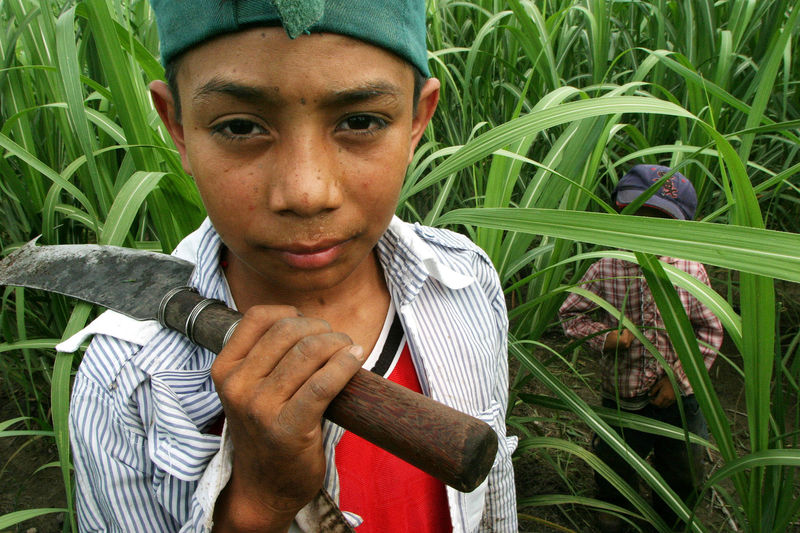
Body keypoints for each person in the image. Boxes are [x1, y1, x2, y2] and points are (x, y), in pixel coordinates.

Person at [61, 1, 517, 531]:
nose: (306, 192)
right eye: (239, 127)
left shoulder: (463, 281)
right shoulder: (126, 382)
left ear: (417, 119)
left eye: (361, 121)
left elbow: (493, 499)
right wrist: (258, 504)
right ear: (178, 127)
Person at [558, 165, 723, 532]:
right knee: (614, 469)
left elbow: (709, 330)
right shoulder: (607, 268)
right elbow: (571, 315)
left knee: (683, 473)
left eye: (659, 219)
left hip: (680, 405)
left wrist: (677, 380)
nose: (645, 228)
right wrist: (607, 337)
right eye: (637, 215)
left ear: (679, 227)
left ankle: (673, 523)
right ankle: (615, 520)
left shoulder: (689, 271)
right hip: (620, 397)